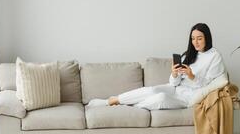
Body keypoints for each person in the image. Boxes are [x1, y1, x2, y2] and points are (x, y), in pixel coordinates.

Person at [89, 23, 227, 110]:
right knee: (153, 90)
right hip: (175, 89)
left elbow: (208, 84)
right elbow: (174, 83)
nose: (195, 42)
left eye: (199, 38)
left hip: (188, 97)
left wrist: (192, 76)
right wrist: (174, 74)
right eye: (193, 38)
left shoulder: (214, 56)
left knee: (161, 98)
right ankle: (112, 100)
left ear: (207, 38)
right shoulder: (188, 55)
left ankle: (125, 105)